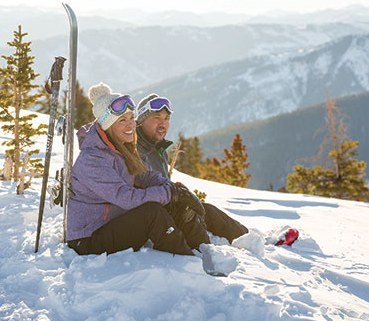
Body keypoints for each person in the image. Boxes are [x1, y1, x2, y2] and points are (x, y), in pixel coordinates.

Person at [66, 83, 209, 256]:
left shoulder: (119, 148)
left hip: (113, 223)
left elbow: (146, 175)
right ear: (108, 125)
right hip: (88, 238)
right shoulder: (93, 160)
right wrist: (169, 193)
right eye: (122, 120)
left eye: (131, 118)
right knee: (152, 213)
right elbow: (126, 198)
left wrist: (175, 190)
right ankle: (188, 263)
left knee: (175, 206)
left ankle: (206, 252)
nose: (130, 125)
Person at [135, 93, 249, 243]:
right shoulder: (135, 149)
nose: (163, 124)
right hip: (152, 217)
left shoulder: (157, 148)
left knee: (207, 210)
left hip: (166, 207)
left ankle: (250, 239)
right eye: (156, 118)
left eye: (166, 118)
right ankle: (205, 256)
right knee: (189, 215)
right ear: (141, 121)